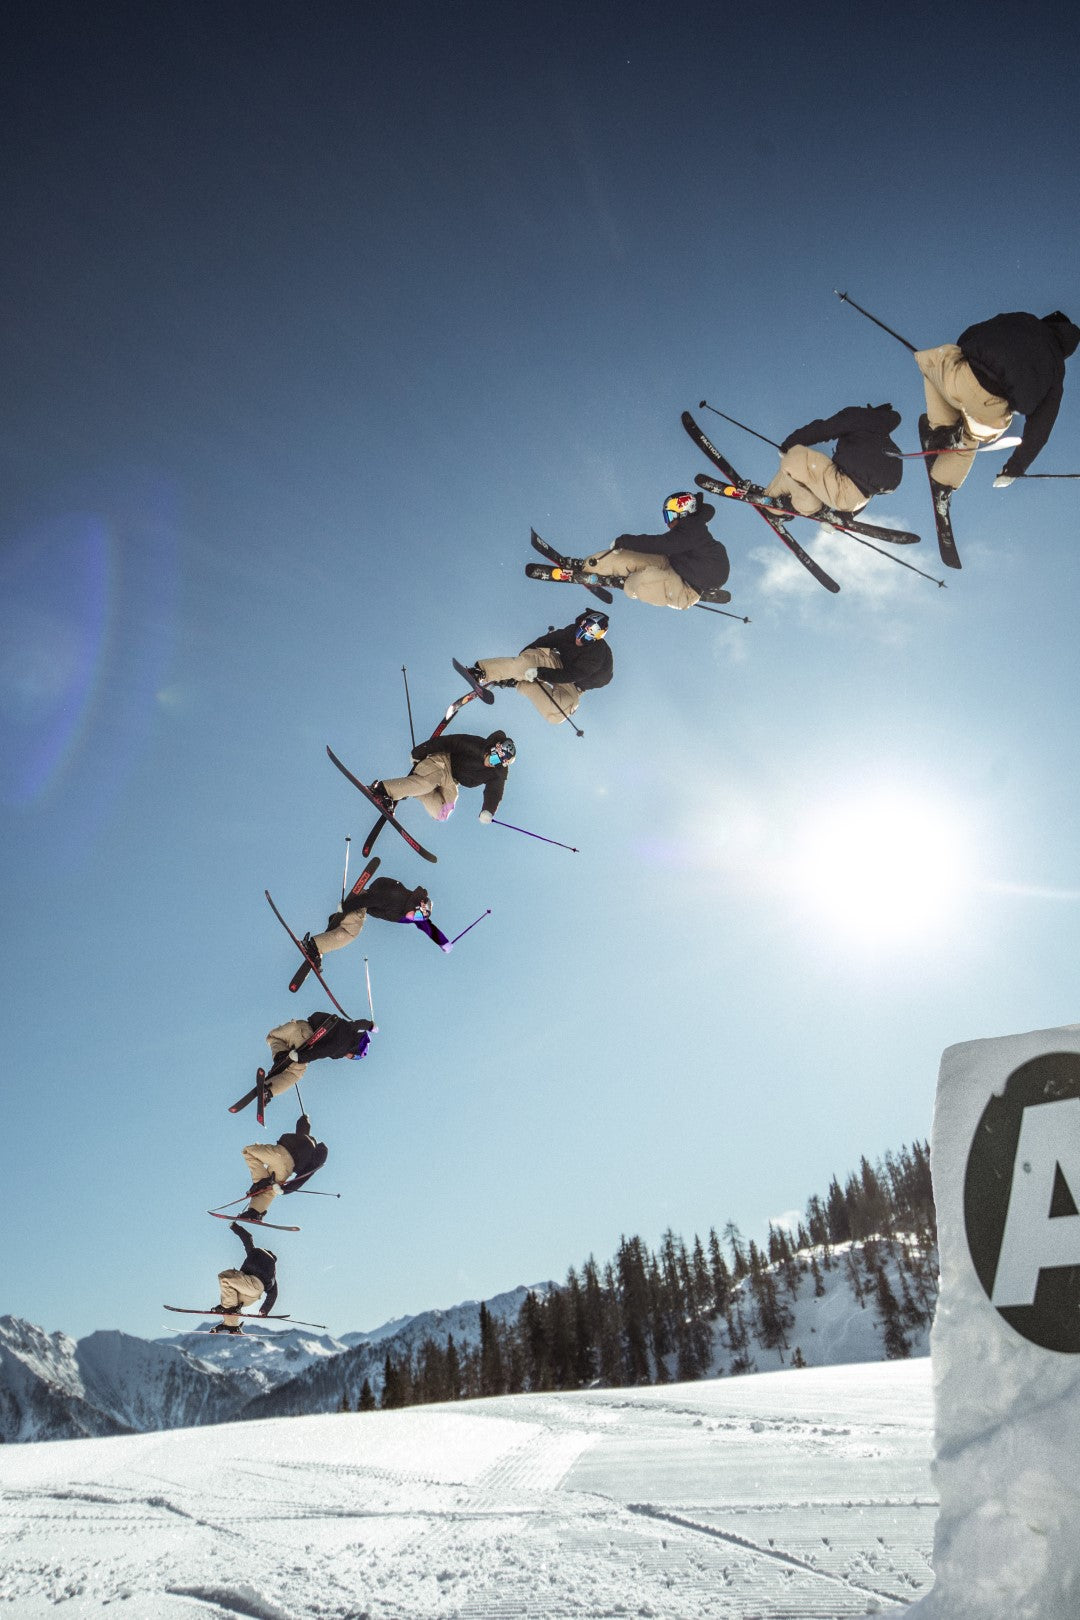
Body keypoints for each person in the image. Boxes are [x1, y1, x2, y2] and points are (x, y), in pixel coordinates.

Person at [914, 310, 1080, 490]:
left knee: (932, 361)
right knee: (968, 436)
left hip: (963, 379)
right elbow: (1041, 428)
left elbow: (968, 335)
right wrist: (1015, 467)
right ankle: (943, 485)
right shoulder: (1056, 371)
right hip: (993, 417)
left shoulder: (1022, 319)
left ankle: (943, 430)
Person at [582, 493, 729, 610]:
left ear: (684, 513)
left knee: (641, 582)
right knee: (629, 557)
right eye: (666, 517)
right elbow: (663, 546)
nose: (668, 523)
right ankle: (590, 567)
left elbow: (663, 544)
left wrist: (626, 540)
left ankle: (626, 581)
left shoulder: (693, 528)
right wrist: (624, 545)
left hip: (687, 589)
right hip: (674, 563)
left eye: (670, 516)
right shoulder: (684, 531)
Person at [465, 610, 613, 725]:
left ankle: (521, 682)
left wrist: (539, 673)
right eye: (580, 631)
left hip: (574, 683)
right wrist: (523, 660)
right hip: (557, 663)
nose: (579, 639)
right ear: (580, 625)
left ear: (596, 639)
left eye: (586, 638)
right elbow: (546, 641)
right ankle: (483, 671)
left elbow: (570, 675)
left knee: (557, 714)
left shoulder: (596, 654)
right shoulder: (570, 631)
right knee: (527, 664)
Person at [761, 403, 902, 518]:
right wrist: (847, 515)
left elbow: (824, 429)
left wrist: (789, 444)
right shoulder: (889, 448)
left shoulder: (861, 417)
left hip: (840, 488)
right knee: (813, 469)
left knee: (795, 457)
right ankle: (805, 502)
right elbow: (869, 488)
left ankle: (770, 504)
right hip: (854, 502)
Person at [369, 730, 515, 824]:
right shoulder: (477, 745)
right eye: (494, 758)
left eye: (497, 763)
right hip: (442, 762)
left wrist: (488, 810)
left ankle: (415, 790)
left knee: (442, 813)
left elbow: (494, 792)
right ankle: (383, 790)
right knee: (427, 783)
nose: (492, 763)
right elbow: (448, 742)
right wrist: (419, 752)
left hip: (452, 780)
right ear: (493, 748)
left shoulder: (497, 772)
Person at [302, 878, 449, 968]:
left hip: (365, 903)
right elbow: (373, 900)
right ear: (419, 905)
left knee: (354, 927)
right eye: (417, 914)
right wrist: (345, 908)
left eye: (418, 919)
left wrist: (444, 943)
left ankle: (331, 930)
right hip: (363, 900)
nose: (415, 919)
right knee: (352, 932)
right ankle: (315, 946)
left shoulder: (406, 911)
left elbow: (430, 929)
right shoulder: (399, 899)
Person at [262, 1010, 375, 1101]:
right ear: (355, 1050)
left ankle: (280, 1057)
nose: (351, 1058)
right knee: (295, 1073)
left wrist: (371, 1026)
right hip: (306, 1038)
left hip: (297, 1025)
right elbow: (322, 1051)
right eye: (356, 1057)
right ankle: (268, 1091)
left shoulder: (348, 1028)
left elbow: (360, 1024)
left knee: (273, 1038)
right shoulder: (342, 1046)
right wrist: (301, 1057)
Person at [241, 1113, 329, 1221]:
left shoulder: (309, 1145)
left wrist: (286, 1190)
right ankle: (255, 1212)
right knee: (270, 1189)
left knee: (248, 1151)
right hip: (286, 1169)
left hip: (280, 1154)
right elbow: (304, 1176)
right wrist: (284, 1190)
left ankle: (261, 1183)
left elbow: (305, 1175)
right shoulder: (306, 1144)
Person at [213, 1220, 278, 1333]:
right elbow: (273, 1294)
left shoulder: (256, 1253)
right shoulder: (273, 1274)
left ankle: (230, 1312)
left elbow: (247, 1238)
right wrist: (264, 1310)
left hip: (250, 1284)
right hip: (252, 1296)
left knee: (225, 1278)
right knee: (230, 1298)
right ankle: (232, 1325)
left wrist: (234, 1226)